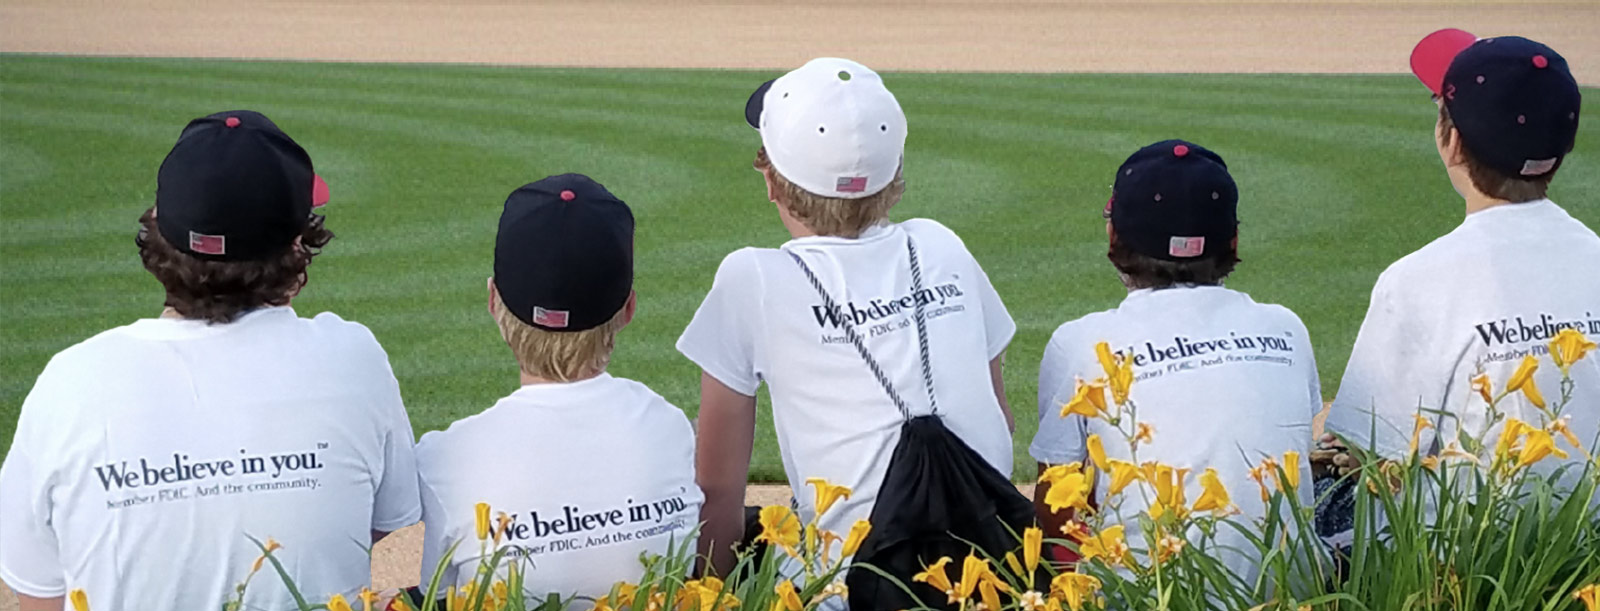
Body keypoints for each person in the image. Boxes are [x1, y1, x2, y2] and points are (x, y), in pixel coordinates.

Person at [0, 110, 420, 609]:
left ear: (158, 225)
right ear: (297, 244)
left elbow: (39, 592)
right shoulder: (353, 358)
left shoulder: (69, 381)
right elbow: (369, 521)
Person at [678, 57, 1018, 577]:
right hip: (991, 565)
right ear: (895, 173)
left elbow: (718, 488)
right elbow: (999, 421)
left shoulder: (752, 277)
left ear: (772, 182)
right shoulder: (940, 244)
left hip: (851, 588)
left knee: (753, 526)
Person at [1321, 30, 1597, 494]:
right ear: (1561, 151)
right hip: (1583, 543)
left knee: (1329, 486)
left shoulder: (1414, 281)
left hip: (1469, 551)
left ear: (1451, 143)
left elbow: (1379, 455)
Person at [1029, 139, 1320, 579]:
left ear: (1114, 236)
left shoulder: (1080, 342)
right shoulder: (1285, 328)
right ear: (1233, 239)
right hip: (1286, 594)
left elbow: (1058, 512)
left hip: (1146, 594)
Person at [414, 174, 702, 599]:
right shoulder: (668, 425)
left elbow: (440, 597)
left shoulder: (443, 459)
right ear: (628, 309)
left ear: (494, 301)